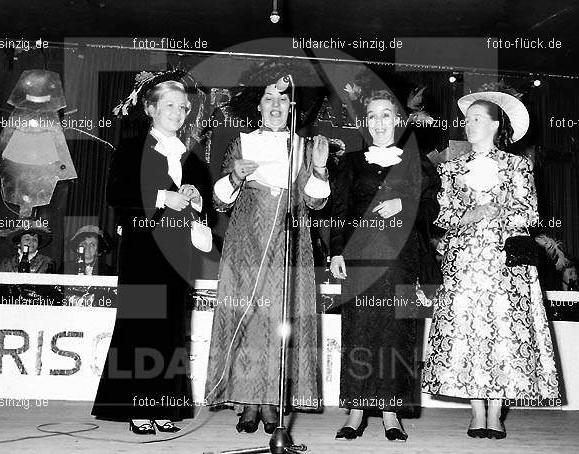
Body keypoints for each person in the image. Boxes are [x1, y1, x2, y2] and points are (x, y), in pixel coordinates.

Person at [422, 91, 559, 439]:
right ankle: (476, 410)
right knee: (469, 331)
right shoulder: (451, 167)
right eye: (467, 120)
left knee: (503, 332)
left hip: (504, 261)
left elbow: (530, 212)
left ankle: (496, 412)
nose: (469, 125)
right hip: (465, 261)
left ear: (496, 124)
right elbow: (443, 213)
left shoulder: (517, 166)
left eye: (477, 119)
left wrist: (498, 211)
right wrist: (472, 214)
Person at [204, 68, 330, 434]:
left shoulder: (305, 147)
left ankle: (273, 401)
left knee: (280, 321)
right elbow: (220, 201)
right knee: (249, 318)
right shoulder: (241, 143)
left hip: (290, 245)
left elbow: (314, 202)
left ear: (292, 106)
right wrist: (235, 177)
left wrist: (319, 170)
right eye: (269, 99)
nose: (276, 105)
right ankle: (246, 401)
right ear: (258, 105)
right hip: (247, 244)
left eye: (283, 99)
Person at [91, 69, 208, 435]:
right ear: (152, 108)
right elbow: (117, 194)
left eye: (183, 107)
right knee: (141, 326)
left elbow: (206, 207)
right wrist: (162, 197)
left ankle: (164, 405)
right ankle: (138, 407)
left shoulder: (190, 156)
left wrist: (195, 198)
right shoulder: (132, 146)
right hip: (142, 250)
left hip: (178, 253)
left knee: (172, 328)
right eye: (169, 105)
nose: (177, 111)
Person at [329, 90, 427, 442]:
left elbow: (436, 208)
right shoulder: (351, 163)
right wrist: (336, 252)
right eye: (372, 116)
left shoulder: (416, 163)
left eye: (386, 114)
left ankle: (391, 414)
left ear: (397, 120)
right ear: (365, 122)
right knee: (358, 332)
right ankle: (355, 412)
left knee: (396, 335)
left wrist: (406, 204)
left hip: (401, 259)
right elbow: (339, 211)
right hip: (360, 259)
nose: (380, 122)